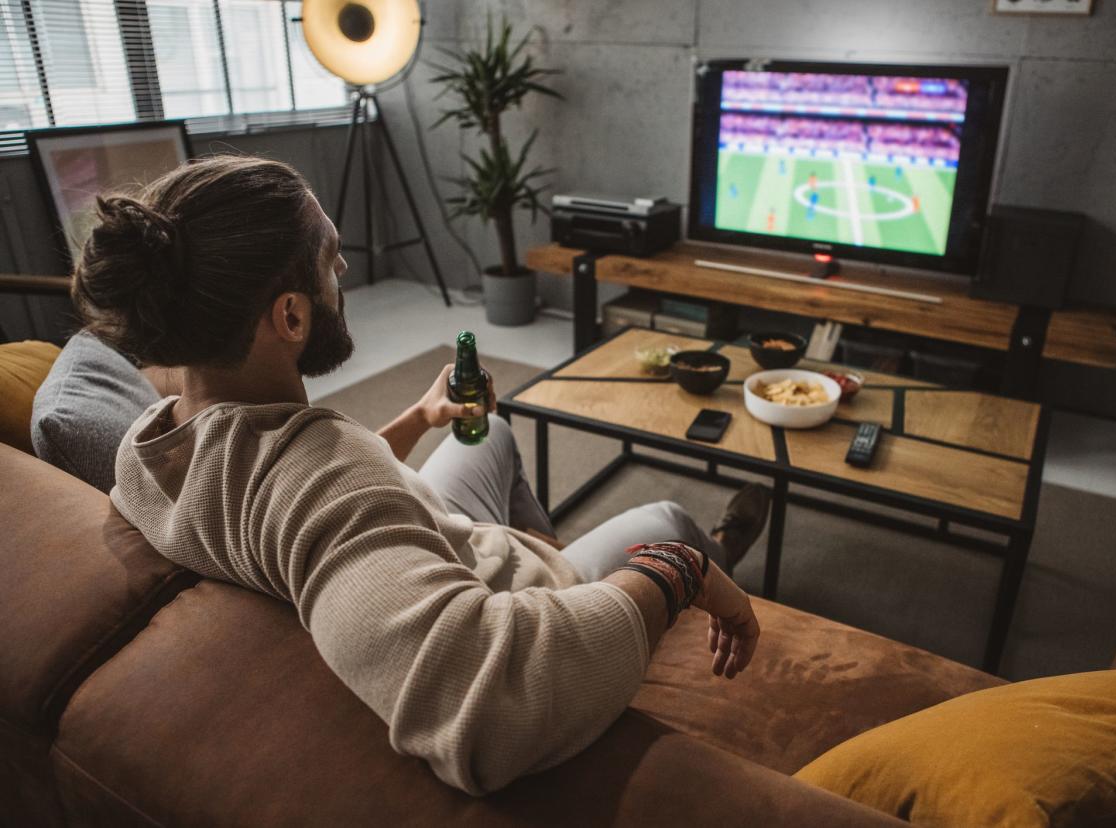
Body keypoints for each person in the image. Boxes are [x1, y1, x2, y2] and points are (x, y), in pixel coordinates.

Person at [73, 155, 772, 796]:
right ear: (289, 315)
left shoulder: (149, 444)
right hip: (499, 587)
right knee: (669, 524)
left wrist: (418, 416)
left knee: (487, 429)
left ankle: (545, 541)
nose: (342, 275)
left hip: (431, 528)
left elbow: (303, 502)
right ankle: (709, 556)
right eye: (332, 260)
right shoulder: (323, 477)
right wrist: (677, 572)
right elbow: (490, 709)